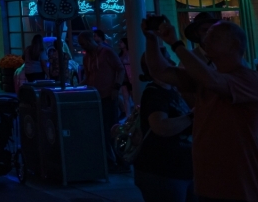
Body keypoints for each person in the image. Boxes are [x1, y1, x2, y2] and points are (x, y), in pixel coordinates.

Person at [144, 17, 258, 202]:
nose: (205, 41)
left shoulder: (249, 79)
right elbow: (160, 71)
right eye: (205, 35)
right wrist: (152, 40)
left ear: (234, 45)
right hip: (207, 186)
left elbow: (213, 81)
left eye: (214, 36)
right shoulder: (206, 78)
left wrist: (176, 44)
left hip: (241, 187)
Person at [133, 53, 194, 202]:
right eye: (167, 58)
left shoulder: (172, 91)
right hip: (162, 171)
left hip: (181, 170)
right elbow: (160, 126)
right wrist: (192, 117)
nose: (172, 61)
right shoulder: (154, 93)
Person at [78, 30, 126, 171]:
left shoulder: (107, 52)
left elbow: (120, 69)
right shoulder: (87, 58)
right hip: (95, 97)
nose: (83, 46)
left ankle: (122, 161)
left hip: (108, 96)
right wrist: (77, 87)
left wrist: (116, 87)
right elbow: (88, 77)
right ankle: (110, 161)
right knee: (100, 131)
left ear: (90, 40)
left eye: (84, 43)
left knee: (112, 130)